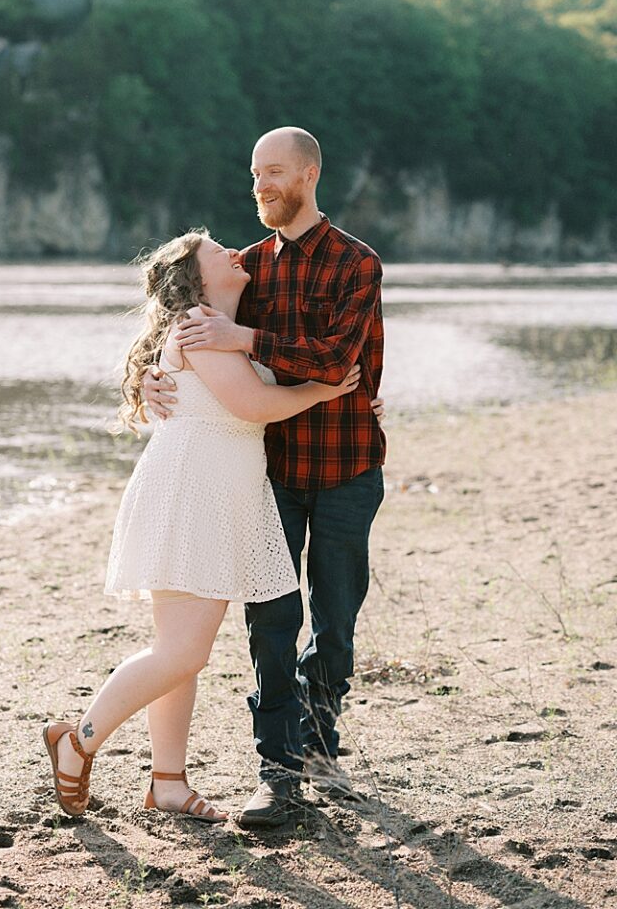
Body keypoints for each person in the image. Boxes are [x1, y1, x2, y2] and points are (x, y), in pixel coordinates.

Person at [43, 228, 363, 822]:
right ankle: (79, 739)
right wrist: (324, 389)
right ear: (196, 276)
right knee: (183, 653)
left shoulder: (215, 326)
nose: (233, 251)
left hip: (209, 489)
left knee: (177, 650)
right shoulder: (197, 325)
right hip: (195, 492)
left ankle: (167, 782)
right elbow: (254, 407)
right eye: (217, 251)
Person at [145, 126, 386, 827]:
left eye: (274, 173)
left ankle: (320, 752)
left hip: (346, 467)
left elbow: (335, 355)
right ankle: (278, 774)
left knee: (333, 626)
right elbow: (179, 336)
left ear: (309, 175)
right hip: (269, 474)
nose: (261, 186)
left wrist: (247, 339)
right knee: (271, 625)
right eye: (255, 174)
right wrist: (152, 383)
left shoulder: (356, 263)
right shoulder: (244, 268)